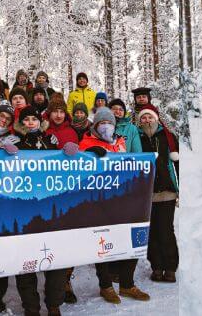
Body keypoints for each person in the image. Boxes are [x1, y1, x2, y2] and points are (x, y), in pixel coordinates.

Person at [9, 106, 76, 316]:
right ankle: (31, 307)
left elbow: (66, 170)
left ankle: (54, 304)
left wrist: (70, 153)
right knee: (25, 263)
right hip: (24, 211)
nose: (30, 123)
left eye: (34, 119)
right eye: (26, 119)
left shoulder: (51, 143)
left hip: (51, 210)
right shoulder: (15, 143)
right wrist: (3, 153)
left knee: (55, 260)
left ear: (40, 122)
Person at [79, 107, 151, 305]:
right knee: (102, 243)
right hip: (99, 202)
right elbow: (80, 169)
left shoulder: (120, 141)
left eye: (109, 123)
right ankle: (106, 286)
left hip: (123, 200)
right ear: (95, 125)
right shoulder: (86, 142)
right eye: (101, 123)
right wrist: (89, 154)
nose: (105, 126)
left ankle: (127, 284)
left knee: (129, 241)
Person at [137, 105, 179, 283]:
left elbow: (177, 164)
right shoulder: (136, 137)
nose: (147, 120)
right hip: (147, 193)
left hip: (167, 190)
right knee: (152, 231)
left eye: (150, 117)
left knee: (166, 230)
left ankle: (170, 268)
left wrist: (180, 188)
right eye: (143, 118)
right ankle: (157, 267)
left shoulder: (167, 136)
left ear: (156, 118)